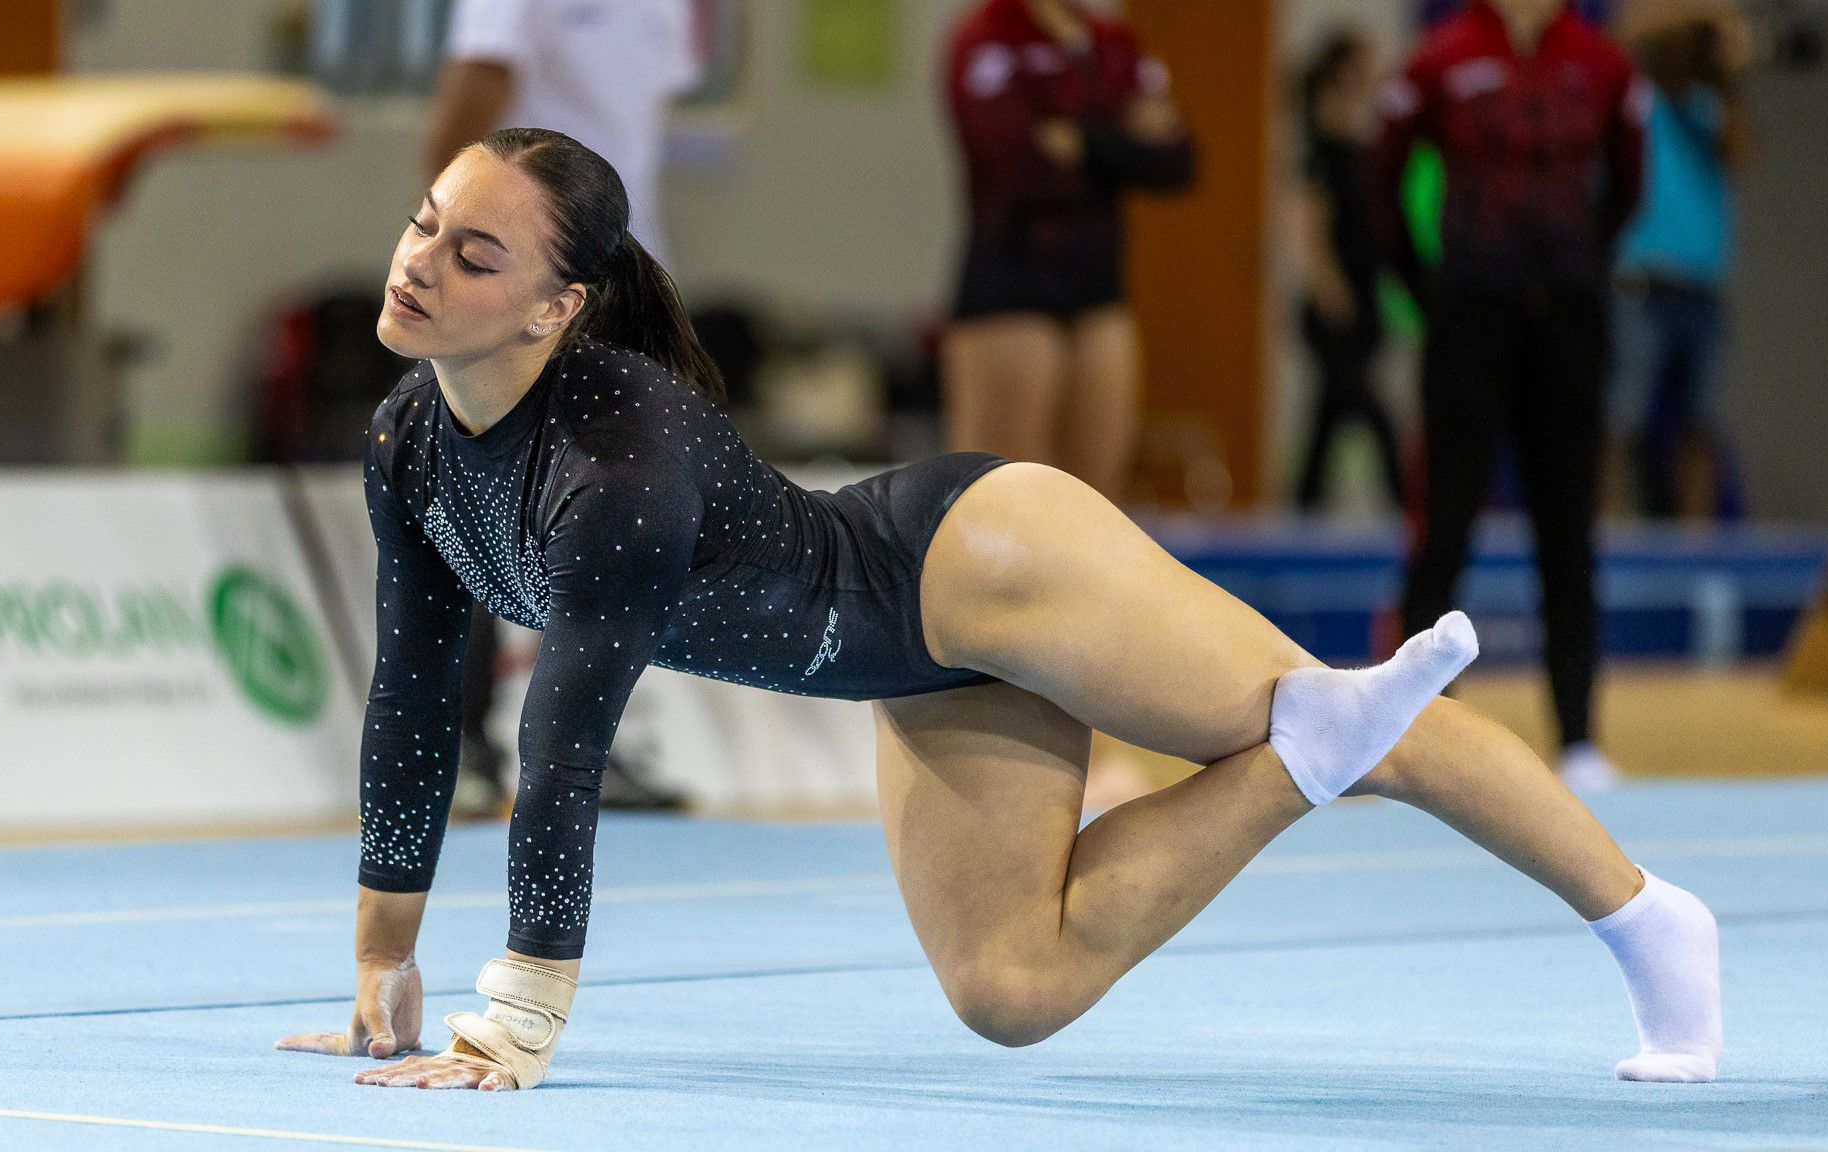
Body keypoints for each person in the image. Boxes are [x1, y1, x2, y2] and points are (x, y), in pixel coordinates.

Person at [274, 129, 1721, 1091]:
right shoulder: (409, 440)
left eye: (477, 252)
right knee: (1013, 992)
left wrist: (515, 1020)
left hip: (980, 563)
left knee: (1383, 734)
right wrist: (384, 956)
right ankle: (1305, 756)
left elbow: (563, 743)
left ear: (554, 308)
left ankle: (1655, 924)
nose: (419, 261)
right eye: (425, 224)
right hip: (906, 667)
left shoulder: (620, 458)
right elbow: (412, 688)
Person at [421, 0, 705, 816]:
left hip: (628, 271)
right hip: (518, 273)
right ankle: (458, 743)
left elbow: (631, 121)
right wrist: (451, 245)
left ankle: (589, 745)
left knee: (607, 519)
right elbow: (480, 79)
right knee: (478, 501)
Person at [1370, 0, 1647, 792]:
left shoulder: (1603, 64)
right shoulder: (1439, 58)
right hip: (1469, 313)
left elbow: (1627, 183)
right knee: (1445, 519)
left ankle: (1580, 736)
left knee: (1567, 529)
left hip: (1566, 318)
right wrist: (1431, 287)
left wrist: (1578, 268)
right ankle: (1409, 731)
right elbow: (1380, 178)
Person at [940, 0, 1194, 502]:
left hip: (1099, 289)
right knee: (1003, 502)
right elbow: (1017, 165)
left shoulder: (1115, 43)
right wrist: (1121, 143)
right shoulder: (989, 37)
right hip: (1011, 287)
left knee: (1098, 506)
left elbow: (1176, 162)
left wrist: (1082, 142)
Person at [1612, 2, 1754, 520]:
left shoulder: (1711, 107)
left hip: (1702, 286)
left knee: (1704, 422)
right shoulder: (1639, 97)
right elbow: (1627, 35)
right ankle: (1604, 530)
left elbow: (1739, 153)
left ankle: (1695, 544)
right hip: (1643, 281)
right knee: (1620, 417)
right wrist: (1703, 24)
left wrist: (1728, 76)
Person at [1292, 29, 1406, 514]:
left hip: (1366, 289)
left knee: (1331, 413)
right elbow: (1306, 220)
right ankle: (1404, 501)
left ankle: (1305, 504)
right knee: (1364, 406)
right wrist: (1325, 281)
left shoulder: (1358, 141)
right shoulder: (1320, 145)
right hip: (1338, 295)